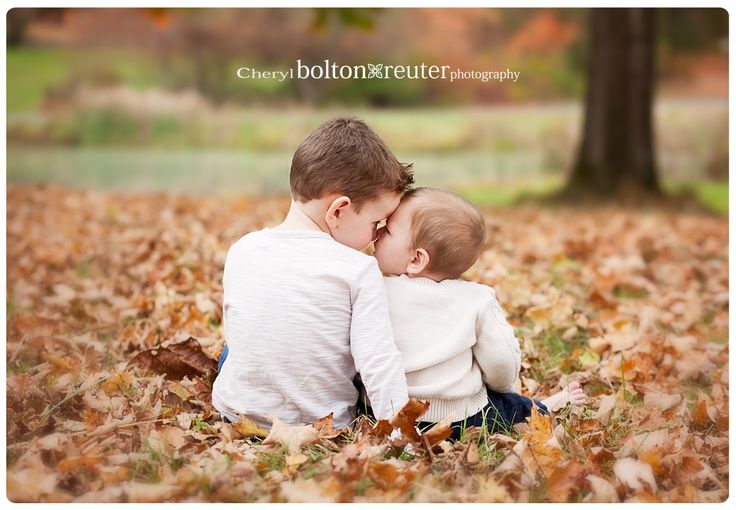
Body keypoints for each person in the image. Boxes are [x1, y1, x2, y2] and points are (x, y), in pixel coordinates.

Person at [213, 118, 414, 429]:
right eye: (376, 222)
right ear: (338, 211)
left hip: (238, 414)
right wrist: (400, 432)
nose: (377, 234)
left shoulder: (243, 248)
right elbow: (378, 362)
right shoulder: (358, 269)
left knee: (232, 350)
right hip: (323, 421)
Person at [372, 187, 585, 439]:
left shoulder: (374, 288)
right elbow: (501, 361)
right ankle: (543, 407)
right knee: (509, 406)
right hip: (462, 419)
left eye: (387, 230)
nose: (377, 231)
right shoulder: (477, 298)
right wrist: (504, 389)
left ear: (417, 259)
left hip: (387, 416)